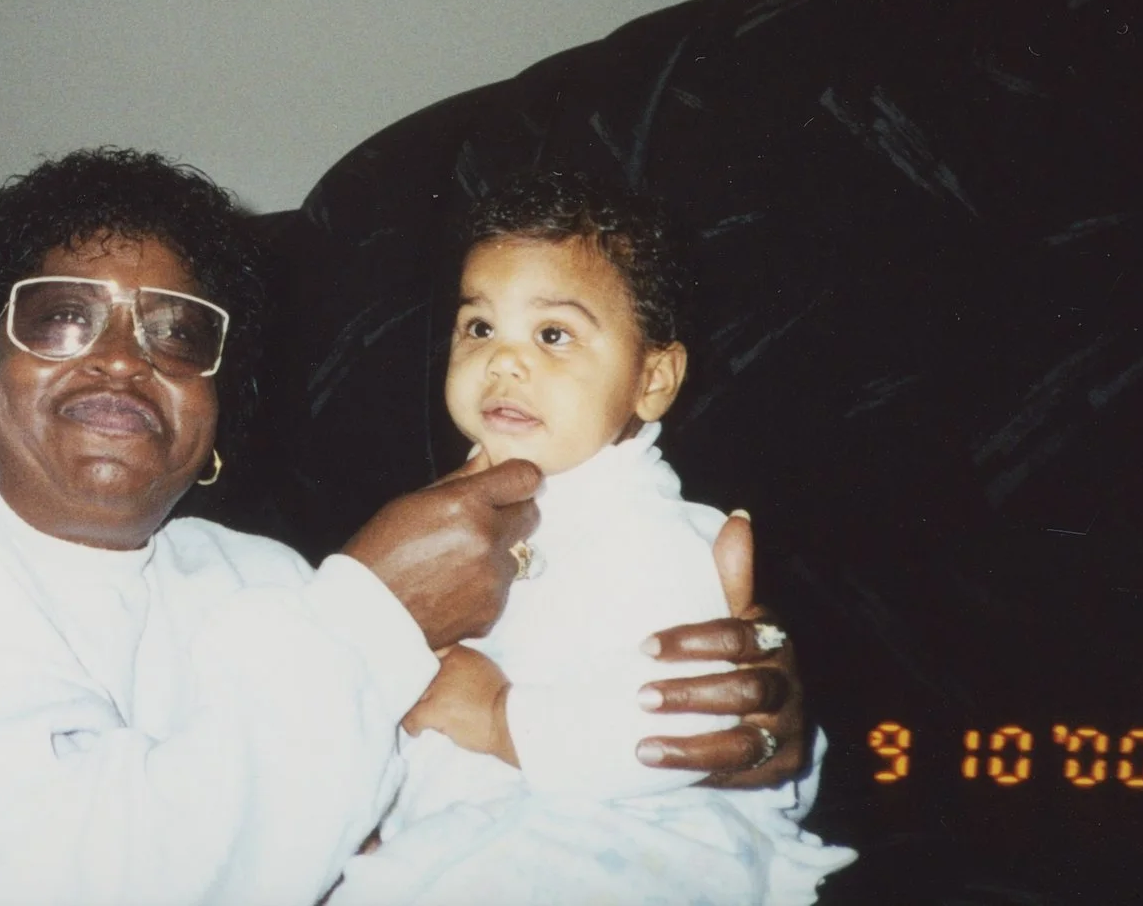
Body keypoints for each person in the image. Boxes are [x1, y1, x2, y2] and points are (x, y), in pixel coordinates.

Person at [0, 148, 807, 906]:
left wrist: (743, 742)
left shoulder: (261, 582)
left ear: (215, 405)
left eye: (177, 331)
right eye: (63, 316)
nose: (123, 356)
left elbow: (475, 801)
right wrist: (374, 614)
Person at [332, 173, 851, 906]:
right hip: (483, 829)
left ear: (653, 379)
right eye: (480, 327)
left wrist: (498, 717)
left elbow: (689, 720)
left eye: (553, 334)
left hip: (651, 838)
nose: (504, 360)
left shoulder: (655, 532)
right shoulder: (433, 523)